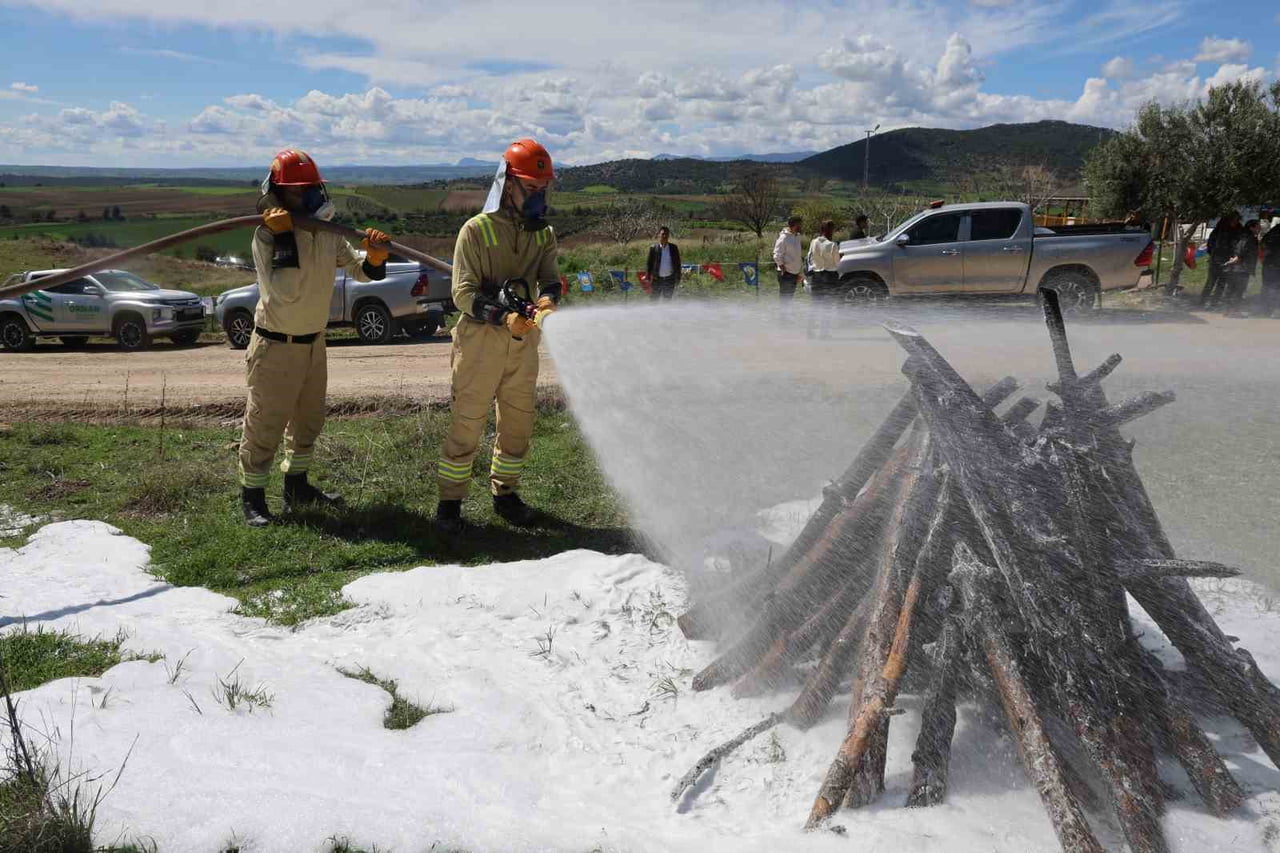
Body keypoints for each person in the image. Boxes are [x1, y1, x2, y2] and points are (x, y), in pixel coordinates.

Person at [239, 149, 389, 527]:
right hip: (276, 345)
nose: (309, 196)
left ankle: (297, 487)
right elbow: (286, 292)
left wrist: (375, 258)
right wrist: (285, 237)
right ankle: (253, 498)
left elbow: (359, 270)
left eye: (312, 188)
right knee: (265, 422)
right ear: (278, 195)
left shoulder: (326, 233)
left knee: (309, 420)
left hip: (313, 343)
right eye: (298, 190)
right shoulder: (266, 236)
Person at [435, 138, 560, 534]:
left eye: (543, 188)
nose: (538, 196)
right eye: (531, 188)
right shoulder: (475, 231)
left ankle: (505, 494)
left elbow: (551, 279)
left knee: (518, 424)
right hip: (479, 343)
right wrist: (504, 317)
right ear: (508, 185)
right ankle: (450, 504)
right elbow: (463, 294)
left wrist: (546, 302)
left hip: (523, 344)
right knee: (468, 422)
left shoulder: (543, 234)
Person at [806, 220, 841, 338]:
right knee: (827, 306)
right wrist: (840, 257)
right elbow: (837, 263)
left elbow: (810, 257)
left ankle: (810, 331)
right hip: (829, 277)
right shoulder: (832, 245)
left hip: (816, 276)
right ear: (829, 230)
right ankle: (824, 333)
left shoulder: (813, 242)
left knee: (815, 304)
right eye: (832, 229)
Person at [1200, 212, 1241, 308]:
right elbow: (1210, 245)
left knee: (1221, 283)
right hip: (1216, 259)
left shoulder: (1236, 231)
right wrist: (1214, 255)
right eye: (1234, 220)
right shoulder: (1219, 231)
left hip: (1226, 260)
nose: (1235, 222)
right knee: (1211, 282)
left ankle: (1213, 303)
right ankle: (1203, 302)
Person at [1221, 219, 1260, 312]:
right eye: (1258, 226)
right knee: (1238, 290)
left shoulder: (1243, 236)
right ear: (1251, 227)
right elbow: (1241, 250)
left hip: (1239, 267)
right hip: (1241, 268)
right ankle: (1233, 311)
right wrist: (1236, 258)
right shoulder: (1248, 237)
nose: (1259, 228)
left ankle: (1228, 310)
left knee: (1232, 289)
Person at [773, 215, 803, 316]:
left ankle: (787, 318)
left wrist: (798, 272)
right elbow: (777, 255)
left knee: (789, 299)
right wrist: (783, 269)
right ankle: (783, 320)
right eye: (799, 224)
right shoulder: (783, 238)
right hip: (786, 274)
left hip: (794, 273)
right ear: (794, 225)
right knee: (785, 300)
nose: (801, 226)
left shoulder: (797, 236)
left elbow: (797, 256)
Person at [645, 226, 681, 300]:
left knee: (667, 300)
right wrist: (647, 277)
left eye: (666, 234)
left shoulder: (673, 248)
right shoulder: (653, 248)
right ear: (659, 235)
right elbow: (649, 263)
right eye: (663, 234)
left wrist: (678, 276)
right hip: (656, 279)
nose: (665, 236)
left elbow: (678, 263)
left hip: (670, 278)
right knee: (654, 299)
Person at [1257, 216, 1280, 317]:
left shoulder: (1270, 234)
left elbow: (1261, 246)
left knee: (1266, 285)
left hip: (1268, 264)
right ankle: (1275, 309)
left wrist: (1264, 258)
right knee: (1276, 287)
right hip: (1277, 265)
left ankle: (1264, 309)